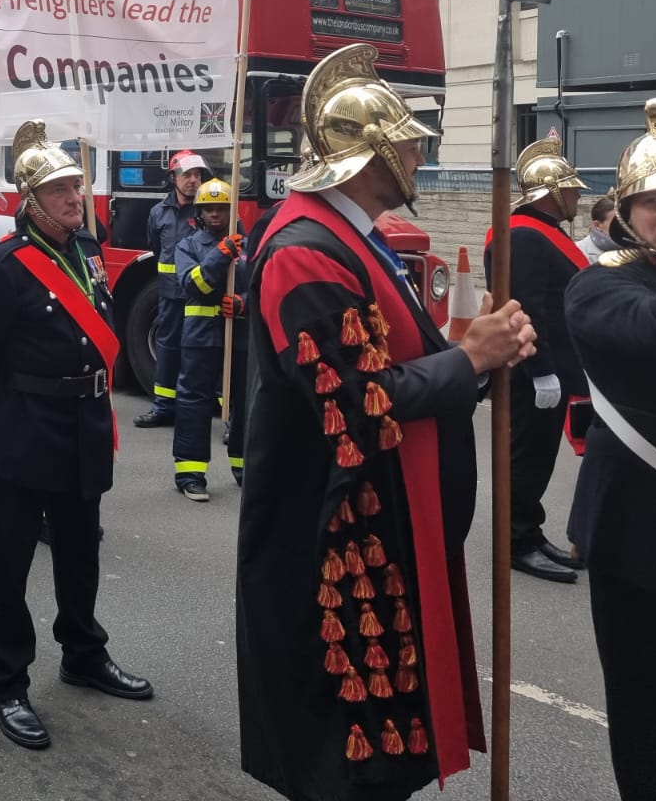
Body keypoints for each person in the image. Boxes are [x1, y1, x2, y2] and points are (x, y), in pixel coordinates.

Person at [237, 44, 535, 801]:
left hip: (386, 529)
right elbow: (360, 404)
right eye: (404, 139)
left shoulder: (350, 236)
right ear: (364, 157)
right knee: (349, 760)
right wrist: (469, 359)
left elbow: (408, 356)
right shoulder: (303, 254)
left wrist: (484, 352)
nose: (417, 149)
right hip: (336, 542)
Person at [0, 122, 152, 751]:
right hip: (23, 429)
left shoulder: (89, 250)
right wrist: (2, 421)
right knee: (9, 566)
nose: (75, 196)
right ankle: (7, 683)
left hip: (84, 427)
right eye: (60, 189)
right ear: (30, 203)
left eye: (76, 184)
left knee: (79, 551)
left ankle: (83, 654)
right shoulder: (3, 266)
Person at [565, 97, 656, 801]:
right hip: (638, 535)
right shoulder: (598, 283)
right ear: (627, 208)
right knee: (645, 712)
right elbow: (647, 337)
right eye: (655, 200)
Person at [483, 133, 589, 583]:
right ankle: (516, 541)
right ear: (549, 192)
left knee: (537, 457)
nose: (577, 196)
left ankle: (528, 530)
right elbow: (526, 306)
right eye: (570, 189)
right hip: (532, 372)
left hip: (551, 370)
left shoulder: (539, 232)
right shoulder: (525, 235)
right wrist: (542, 370)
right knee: (525, 456)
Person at [172, 177, 248, 501]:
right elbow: (194, 286)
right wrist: (220, 255)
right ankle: (191, 474)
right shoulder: (186, 246)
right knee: (194, 402)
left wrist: (244, 302)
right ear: (200, 213)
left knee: (245, 404)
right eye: (210, 209)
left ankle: (245, 467)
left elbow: (264, 286)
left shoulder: (250, 247)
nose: (216, 215)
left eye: (222, 209)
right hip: (200, 337)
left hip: (240, 336)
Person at [136, 150, 207, 428]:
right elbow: (156, 248)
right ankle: (163, 408)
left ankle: (226, 419)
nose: (193, 181)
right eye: (187, 175)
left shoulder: (208, 209)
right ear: (173, 178)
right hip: (169, 295)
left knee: (205, 353)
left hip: (201, 294)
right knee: (167, 351)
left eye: (198, 175)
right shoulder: (158, 213)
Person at [576, 194, 618, 260]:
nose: (623, 227)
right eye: (616, 223)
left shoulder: (635, 251)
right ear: (597, 225)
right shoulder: (578, 251)